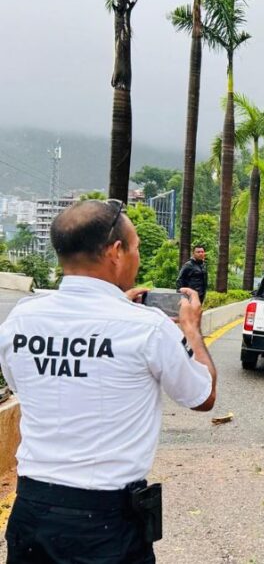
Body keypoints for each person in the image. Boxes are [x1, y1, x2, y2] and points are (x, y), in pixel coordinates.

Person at [0, 199, 217, 563]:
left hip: (32, 514)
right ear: (116, 252)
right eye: (134, 248)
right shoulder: (147, 327)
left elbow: (29, 386)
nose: (136, 256)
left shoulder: (21, 320)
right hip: (106, 525)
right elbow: (202, 395)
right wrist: (192, 331)